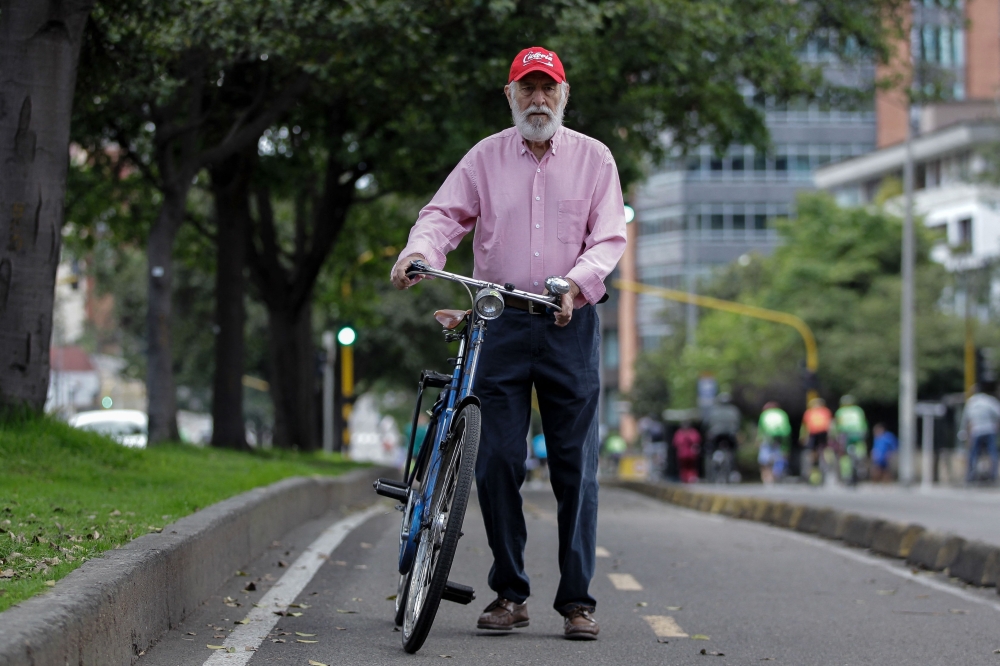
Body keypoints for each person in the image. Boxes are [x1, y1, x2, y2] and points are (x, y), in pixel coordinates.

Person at [390, 46, 626, 640]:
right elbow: (442, 215)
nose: (538, 100)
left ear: (564, 96)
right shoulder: (485, 158)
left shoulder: (596, 159)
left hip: (568, 321)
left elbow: (609, 238)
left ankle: (577, 601)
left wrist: (576, 282)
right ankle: (510, 591)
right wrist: (420, 253)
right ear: (511, 95)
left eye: (549, 89)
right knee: (495, 460)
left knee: (576, 469)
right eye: (528, 89)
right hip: (498, 320)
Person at [960, 384, 1000, 483]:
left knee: (973, 454)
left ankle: (971, 475)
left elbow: (966, 420)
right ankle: (993, 475)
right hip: (989, 429)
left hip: (976, 431)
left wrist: (965, 434)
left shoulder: (971, 402)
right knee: (992, 453)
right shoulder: (990, 400)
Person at [832, 395, 868, 484]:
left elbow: (836, 426)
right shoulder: (858, 410)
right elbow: (864, 423)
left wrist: (834, 436)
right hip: (858, 433)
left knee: (843, 454)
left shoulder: (840, 412)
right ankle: (861, 463)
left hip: (845, 434)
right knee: (860, 449)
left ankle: (846, 474)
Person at [705, 393, 740, 483]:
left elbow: (706, 423)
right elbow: (738, 423)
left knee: (712, 449)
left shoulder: (713, 410)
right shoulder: (734, 410)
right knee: (733, 450)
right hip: (730, 435)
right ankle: (733, 470)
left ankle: (716, 459)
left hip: (716, 435)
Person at [756, 402, 791, 484]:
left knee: (764, 458)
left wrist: (758, 439)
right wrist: (786, 446)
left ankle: (767, 476)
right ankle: (776, 473)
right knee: (779, 455)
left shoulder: (764, 414)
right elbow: (787, 428)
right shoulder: (782, 413)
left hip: (768, 436)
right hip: (781, 436)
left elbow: (761, 429)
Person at [800, 397, 832, 485]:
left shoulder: (809, 412)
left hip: (814, 434)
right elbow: (830, 425)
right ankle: (825, 460)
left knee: (813, 452)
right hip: (821, 434)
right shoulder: (826, 411)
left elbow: (805, 427)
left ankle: (816, 462)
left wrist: (803, 437)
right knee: (823, 449)